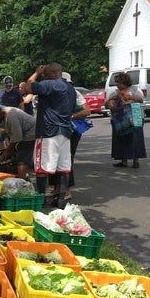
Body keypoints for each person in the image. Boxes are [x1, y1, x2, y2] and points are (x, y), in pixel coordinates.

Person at [24, 62, 76, 209]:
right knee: (64, 167)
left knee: (42, 167)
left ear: (52, 73)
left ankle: (41, 198)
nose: (45, 77)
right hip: (65, 131)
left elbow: (28, 87)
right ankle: (61, 199)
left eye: (46, 74)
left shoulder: (50, 84)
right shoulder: (71, 88)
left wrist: (36, 73)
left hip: (48, 131)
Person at [48, 72, 91, 202]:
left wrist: (70, 116)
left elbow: (86, 110)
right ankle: (56, 187)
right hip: (56, 129)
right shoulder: (54, 94)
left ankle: (66, 190)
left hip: (71, 130)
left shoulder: (74, 93)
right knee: (54, 157)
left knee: (66, 158)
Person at [105, 71, 147, 168]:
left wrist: (129, 97)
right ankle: (123, 160)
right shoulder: (114, 92)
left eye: (119, 82)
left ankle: (136, 160)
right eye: (117, 83)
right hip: (119, 119)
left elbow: (141, 100)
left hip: (135, 117)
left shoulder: (135, 89)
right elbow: (106, 104)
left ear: (125, 82)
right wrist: (113, 99)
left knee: (135, 138)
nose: (117, 85)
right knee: (121, 138)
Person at [0, 105, 36, 180]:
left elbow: (16, 137)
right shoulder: (6, 113)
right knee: (17, 155)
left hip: (30, 133)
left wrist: (7, 152)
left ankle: (21, 182)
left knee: (22, 159)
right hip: (25, 132)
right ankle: (21, 176)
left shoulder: (11, 116)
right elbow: (11, 131)